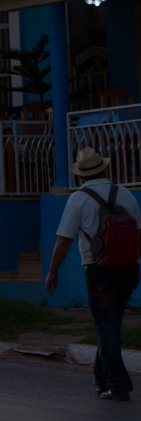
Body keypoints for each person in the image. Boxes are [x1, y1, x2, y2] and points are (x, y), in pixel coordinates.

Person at [47, 147, 141, 401]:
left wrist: (53, 271)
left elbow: (64, 240)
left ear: (80, 176)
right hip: (128, 270)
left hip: (99, 272)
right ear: (105, 169)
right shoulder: (126, 195)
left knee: (106, 326)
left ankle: (118, 385)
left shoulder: (78, 199)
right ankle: (101, 381)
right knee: (110, 325)